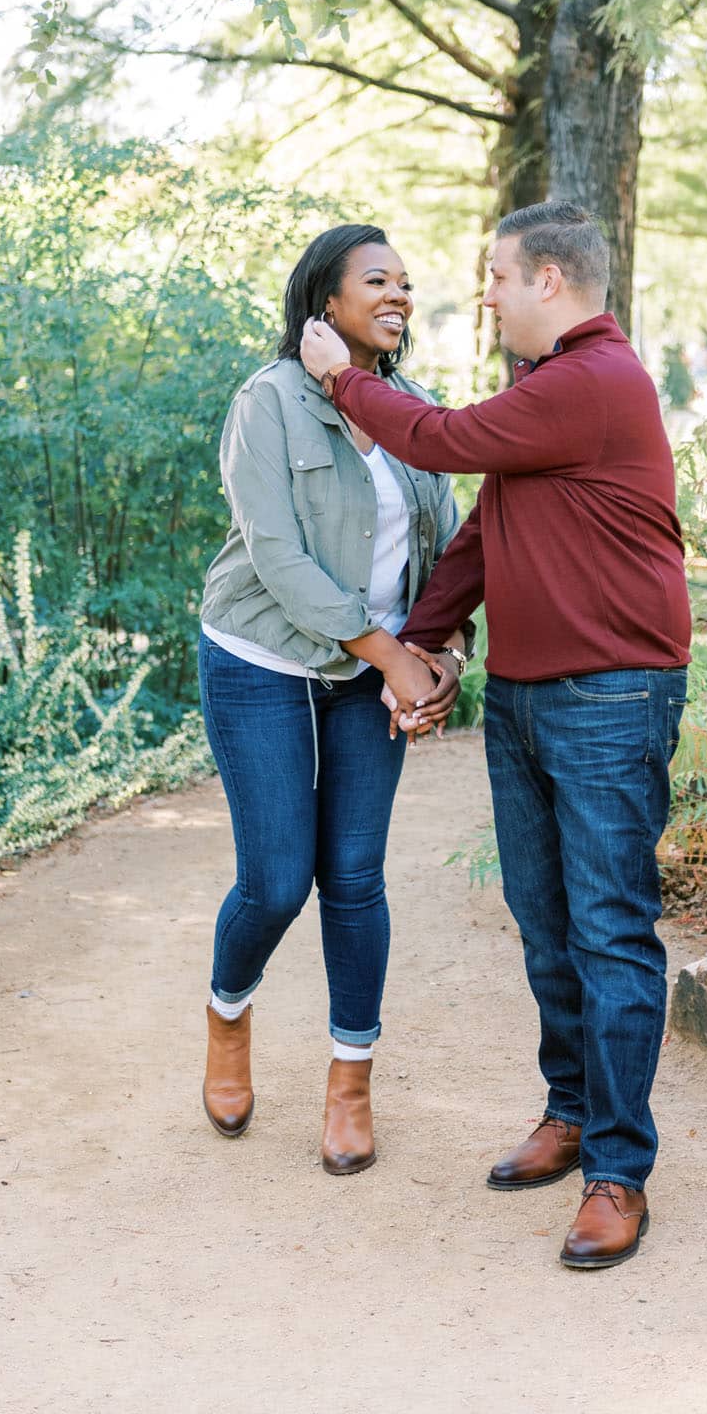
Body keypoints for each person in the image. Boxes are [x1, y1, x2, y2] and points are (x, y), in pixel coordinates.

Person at [300, 201, 690, 1268]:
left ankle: (617, 1170)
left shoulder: (592, 380)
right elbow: (483, 532)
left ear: (552, 280)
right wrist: (422, 643)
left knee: (608, 927)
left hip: (610, 696)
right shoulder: (547, 389)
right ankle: (569, 1112)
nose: (483, 295)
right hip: (523, 695)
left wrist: (342, 374)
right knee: (544, 918)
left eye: (497, 276)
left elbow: (439, 439)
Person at [197, 223, 469, 1175]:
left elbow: (450, 551)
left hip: (375, 669)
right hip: (260, 656)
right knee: (275, 879)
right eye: (377, 280)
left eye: (405, 283)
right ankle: (228, 1014)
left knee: (352, 879)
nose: (398, 294)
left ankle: (349, 1081)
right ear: (325, 302)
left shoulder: (414, 412)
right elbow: (275, 557)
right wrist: (392, 655)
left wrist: (439, 655)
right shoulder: (266, 402)